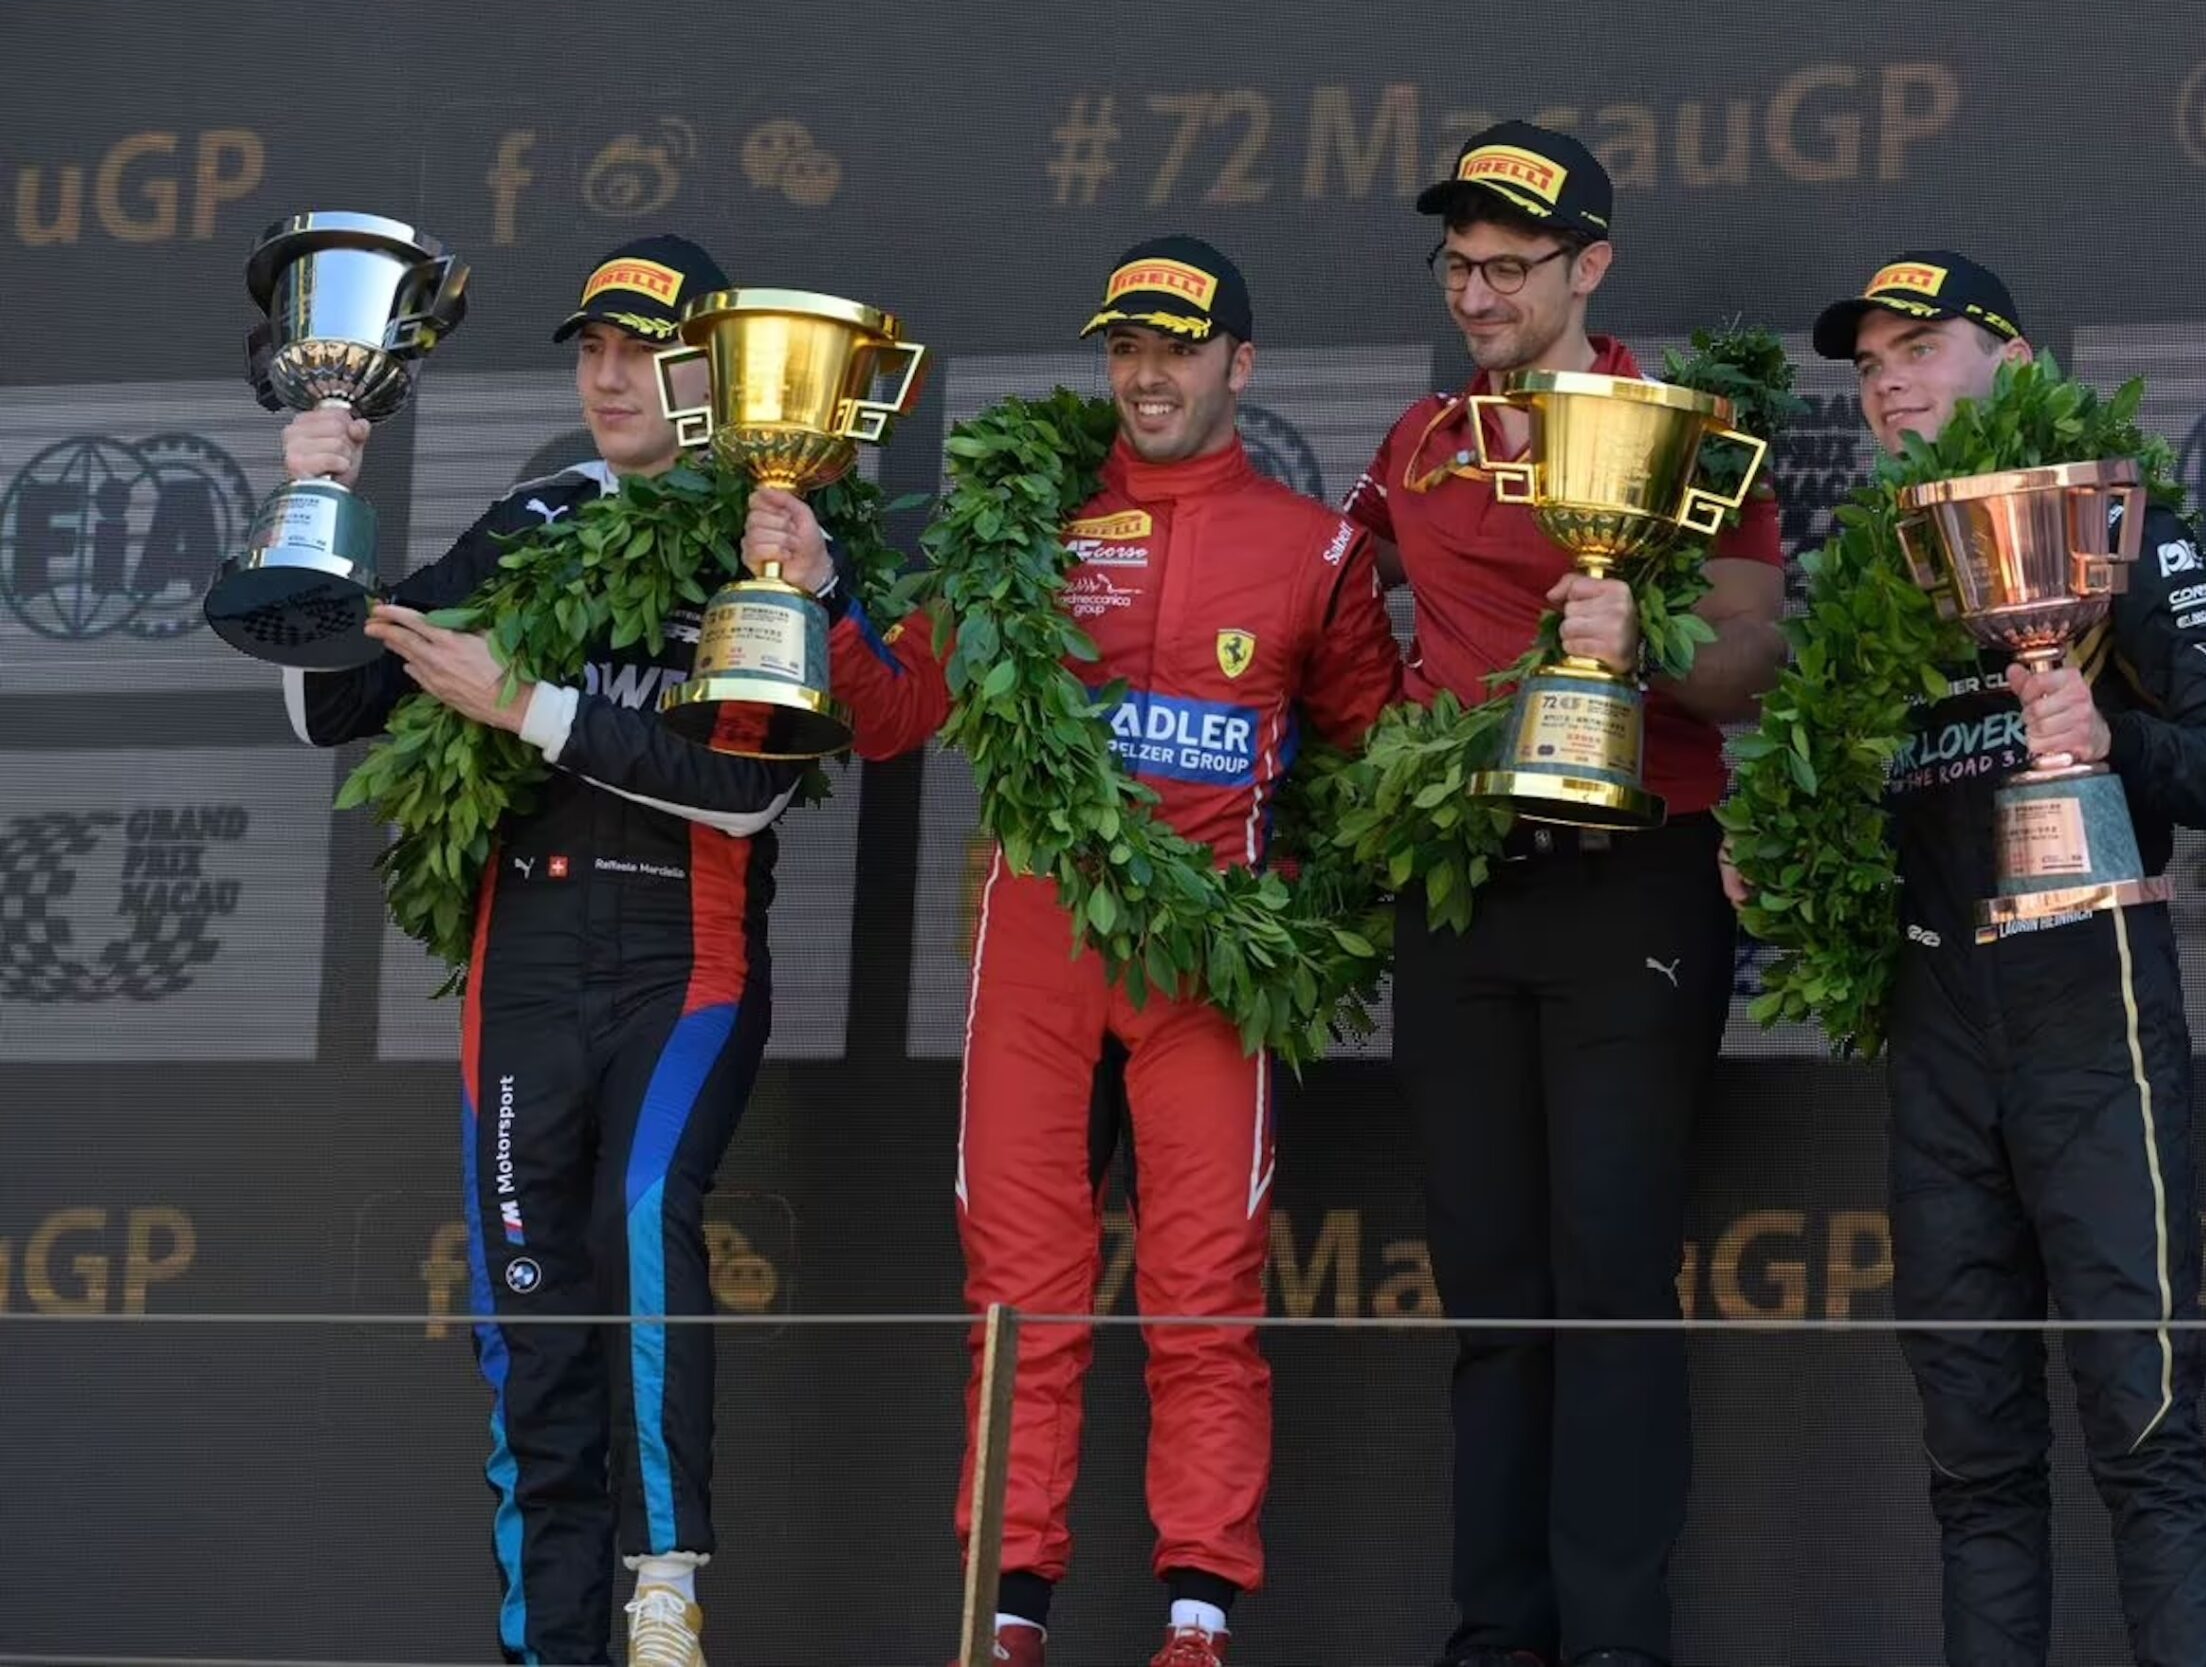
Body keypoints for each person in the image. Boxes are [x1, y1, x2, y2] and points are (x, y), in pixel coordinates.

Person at [744, 235, 1402, 1667]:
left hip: (1210, 969)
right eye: (1127, 347)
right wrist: (809, 594)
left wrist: (1300, 919)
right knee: (1020, 1289)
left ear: (1243, 362)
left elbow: (1372, 764)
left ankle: (1195, 1624)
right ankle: (1007, 1612)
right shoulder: (1024, 529)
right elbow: (895, 710)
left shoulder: (1316, 547)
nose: (1149, 374)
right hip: (1042, 945)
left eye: (1179, 346)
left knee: (1202, 1290)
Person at [282, 234, 810, 1667]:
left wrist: (528, 706)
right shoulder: (535, 516)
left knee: (639, 1224)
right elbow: (339, 711)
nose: (610, 373)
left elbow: (750, 788)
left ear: (712, 368)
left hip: (681, 952)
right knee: (527, 1311)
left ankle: (664, 1583)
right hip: (525, 959)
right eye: (590, 346)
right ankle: (547, 1643)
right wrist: (316, 501)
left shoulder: (764, 532)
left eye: (642, 347)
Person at [1770, 249, 2206, 1665]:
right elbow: (1859, 818)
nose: (1889, 387)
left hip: (2090, 1014)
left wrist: (2116, 738)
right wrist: (1784, 854)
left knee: (2147, 1433)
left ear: (2011, 358)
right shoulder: (1870, 569)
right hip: (1940, 1029)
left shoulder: (2119, 525)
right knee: (1974, 1464)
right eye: (1870, 368)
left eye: (1919, 351)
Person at [1340, 122, 1789, 1667]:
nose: (1478, 295)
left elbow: (1747, 661)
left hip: (1637, 876)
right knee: (1489, 1275)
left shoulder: (1683, 426)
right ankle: (1500, 1630)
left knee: (1608, 1266)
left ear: (1589, 266)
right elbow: (1321, 617)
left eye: (1510, 268)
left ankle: (1613, 1637)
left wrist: (1639, 637)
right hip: (1461, 887)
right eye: (1458, 266)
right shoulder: (1413, 443)